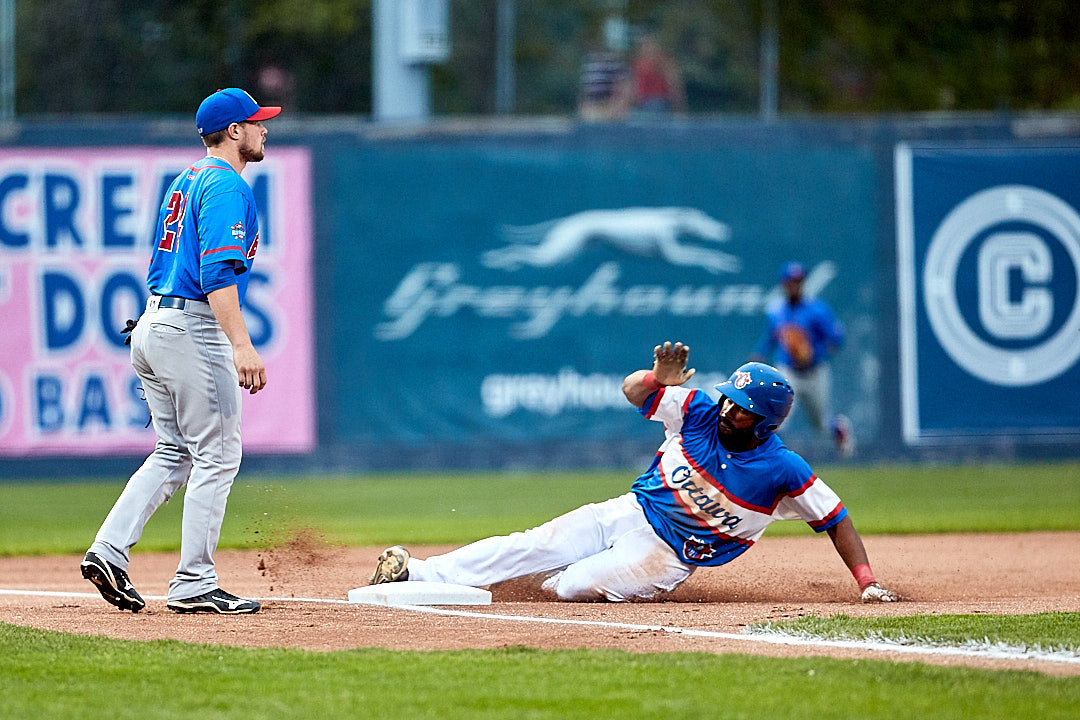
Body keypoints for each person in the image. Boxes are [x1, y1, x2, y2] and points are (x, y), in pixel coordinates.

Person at [370, 342, 897, 604]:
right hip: (629, 510)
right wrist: (655, 378)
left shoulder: (783, 469)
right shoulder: (698, 410)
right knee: (532, 541)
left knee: (575, 586)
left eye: (743, 409)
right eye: (732, 400)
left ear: (767, 421)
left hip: (668, 555)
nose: (731, 411)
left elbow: (836, 518)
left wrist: (866, 582)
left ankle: (535, 584)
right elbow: (632, 392)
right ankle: (418, 573)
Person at [80, 88, 281, 615]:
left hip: (152, 322)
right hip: (190, 326)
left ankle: (108, 548)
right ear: (234, 131)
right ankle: (194, 582)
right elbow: (216, 273)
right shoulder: (227, 186)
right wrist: (242, 344)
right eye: (256, 122)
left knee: (174, 452)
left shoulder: (186, 178)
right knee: (217, 455)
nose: (264, 129)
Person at [753, 261, 854, 456]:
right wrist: (760, 352)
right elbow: (771, 337)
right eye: (790, 281)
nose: (794, 285)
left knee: (821, 424)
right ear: (783, 284)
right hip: (788, 371)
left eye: (798, 281)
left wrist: (816, 352)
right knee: (778, 417)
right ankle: (763, 458)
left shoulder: (817, 310)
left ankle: (839, 428)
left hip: (814, 371)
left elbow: (836, 338)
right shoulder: (778, 311)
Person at [626, 34, 686, 116]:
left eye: (648, 45)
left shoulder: (663, 62)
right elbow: (634, 86)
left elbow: (674, 85)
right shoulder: (638, 63)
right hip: (641, 103)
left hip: (657, 103)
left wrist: (680, 109)